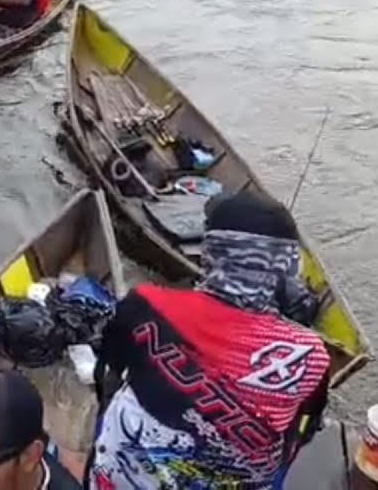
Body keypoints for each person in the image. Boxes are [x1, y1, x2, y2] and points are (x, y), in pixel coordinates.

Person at [87, 191, 332, 489]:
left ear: (210, 253)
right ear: (288, 266)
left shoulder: (145, 304)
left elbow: (107, 366)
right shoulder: (311, 354)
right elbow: (306, 422)